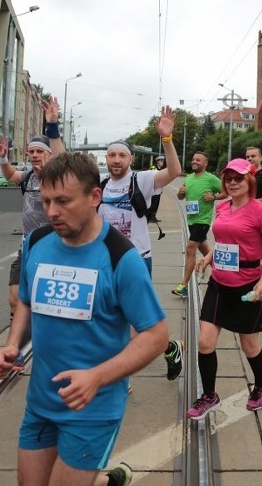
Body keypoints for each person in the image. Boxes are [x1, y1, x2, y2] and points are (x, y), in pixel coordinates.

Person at [0, 153, 167, 486]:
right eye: (45, 201)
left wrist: (97, 377)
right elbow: (27, 300)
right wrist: (12, 345)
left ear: (94, 197)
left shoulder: (121, 258)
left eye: (63, 201)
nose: (52, 212)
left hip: (93, 409)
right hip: (41, 401)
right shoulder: (37, 241)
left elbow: (156, 335)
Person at [187, 159, 262, 419]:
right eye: (228, 178)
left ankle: (261, 384)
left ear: (250, 180)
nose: (232, 182)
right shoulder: (222, 206)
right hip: (219, 283)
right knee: (205, 342)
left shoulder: (260, 210)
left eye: (238, 178)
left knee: (249, 345)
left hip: (248, 285)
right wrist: (209, 257)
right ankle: (209, 395)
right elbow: (226, 241)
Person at [98, 106, 184, 380]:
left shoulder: (142, 180)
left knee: (138, 322)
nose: (116, 159)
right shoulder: (100, 185)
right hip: (105, 261)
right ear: (106, 158)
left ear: (130, 159)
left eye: (122, 155)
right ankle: (120, 374)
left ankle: (166, 349)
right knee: (110, 318)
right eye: (112, 154)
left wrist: (167, 139)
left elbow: (173, 171)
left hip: (136, 260)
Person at [0, 99, 64, 323]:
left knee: (45, 300)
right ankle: (17, 344)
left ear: (50, 154)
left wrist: (52, 124)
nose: (34, 155)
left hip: (53, 245)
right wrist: (3, 158)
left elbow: (63, 165)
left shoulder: (57, 178)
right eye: (31, 151)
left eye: (40, 151)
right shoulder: (28, 176)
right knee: (14, 298)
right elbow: (10, 176)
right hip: (26, 244)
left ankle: (40, 336)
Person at [172, 152, 223, 298]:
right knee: (207, 252)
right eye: (193, 159)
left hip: (203, 221)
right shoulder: (188, 177)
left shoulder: (211, 179)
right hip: (191, 221)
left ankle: (184, 286)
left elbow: (226, 192)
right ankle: (224, 273)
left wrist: (214, 197)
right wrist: (181, 193)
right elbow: (180, 197)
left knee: (190, 249)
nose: (194, 161)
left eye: (198, 160)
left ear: (205, 164)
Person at [146, 155, 167, 224]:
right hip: (153, 189)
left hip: (159, 189)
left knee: (156, 204)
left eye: (163, 161)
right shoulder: (153, 167)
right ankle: (150, 217)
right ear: (157, 162)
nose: (162, 163)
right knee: (152, 203)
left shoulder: (162, 168)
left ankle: (154, 216)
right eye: (161, 161)